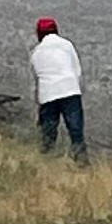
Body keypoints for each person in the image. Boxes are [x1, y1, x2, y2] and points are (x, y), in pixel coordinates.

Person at [31, 17, 88, 163]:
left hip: (48, 93)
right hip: (70, 89)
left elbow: (37, 75)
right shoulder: (67, 45)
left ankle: (46, 158)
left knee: (48, 130)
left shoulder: (37, 51)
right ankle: (81, 160)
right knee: (76, 130)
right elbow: (77, 70)